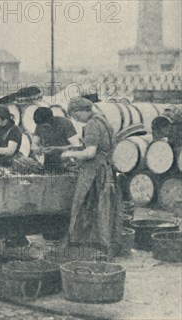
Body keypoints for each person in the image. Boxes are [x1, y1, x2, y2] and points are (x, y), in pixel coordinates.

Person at [60, 97, 122, 255]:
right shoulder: (104, 121)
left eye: (75, 115)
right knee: (103, 208)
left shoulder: (92, 124)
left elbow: (90, 152)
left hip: (93, 172)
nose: (76, 119)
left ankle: (86, 246)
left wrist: (69, 154)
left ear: (81, 110)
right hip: (106, 169)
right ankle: (102, 245)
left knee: (84, 205)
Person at [31, 106, 80, 172]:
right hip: (49, 163)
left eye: (45, 126)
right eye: (41, 126)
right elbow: (34, 143)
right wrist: (36, 148)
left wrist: (57, 149)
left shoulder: (65, 123)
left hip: (67, 163)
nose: (43, 128)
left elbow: (76, 146)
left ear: (51, 119)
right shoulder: (40, 124)